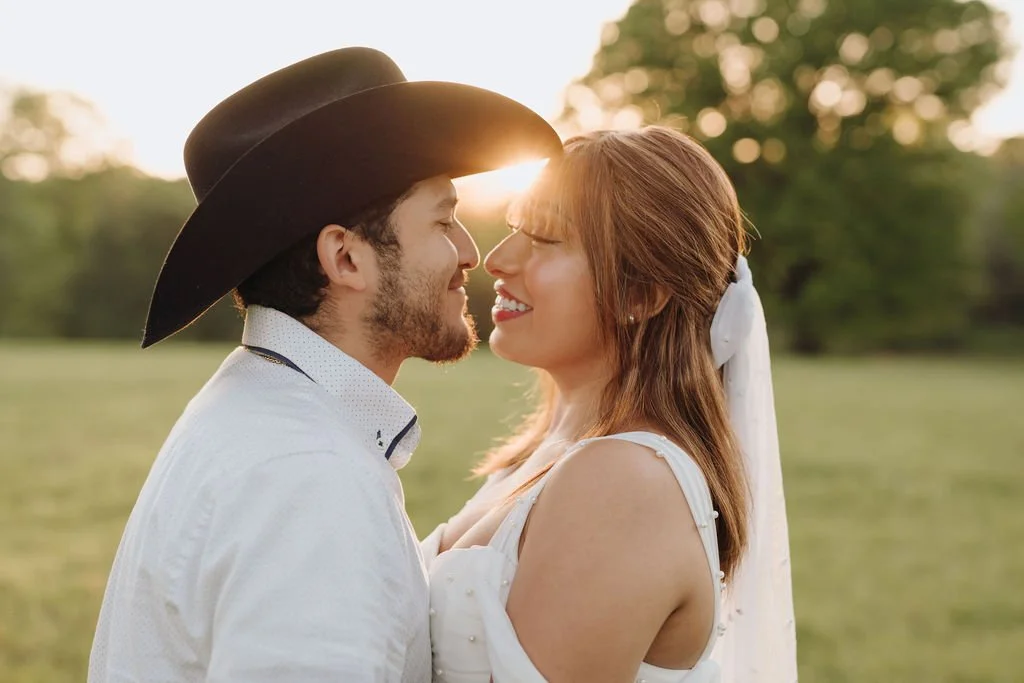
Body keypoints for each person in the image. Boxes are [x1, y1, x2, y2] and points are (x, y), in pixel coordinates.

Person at [87, 47, 561, 683]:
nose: (470, 252)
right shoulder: (308, 475)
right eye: (444, 221)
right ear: (345, 258)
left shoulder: (259, 411)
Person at [422, 126, 798, 683]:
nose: (497, 260)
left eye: (545, 237)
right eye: (512, 228)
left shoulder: (626, 480)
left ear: (639, 295)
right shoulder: (543, 451)